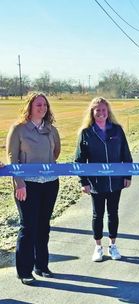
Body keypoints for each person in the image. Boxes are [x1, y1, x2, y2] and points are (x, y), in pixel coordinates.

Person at [6, 92, 61, 285]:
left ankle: (42, 266)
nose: (42, 108)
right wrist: (19, 183)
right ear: (29, 107)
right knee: (28, 227)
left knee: (43, 226)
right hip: (27, 185)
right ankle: (24, 270)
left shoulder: (51, 130)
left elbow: (56, 152)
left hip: (50, 183)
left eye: (45, 105)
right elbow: (12, 159)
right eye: (38, 105)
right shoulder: (19, 129)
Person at [74, 97, 133, 262]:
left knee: (113, 213)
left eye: (104, 110)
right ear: (92, 112)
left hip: (115, 182)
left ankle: (113, 245)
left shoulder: (117, 130)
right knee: (97, 214)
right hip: (96, 183)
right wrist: (83, 181)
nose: (101, 113)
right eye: (97, 110)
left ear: (108, 112)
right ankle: (98, 247)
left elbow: (126, 155)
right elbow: (79, 160)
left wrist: (127, 175)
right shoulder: (86, 133)